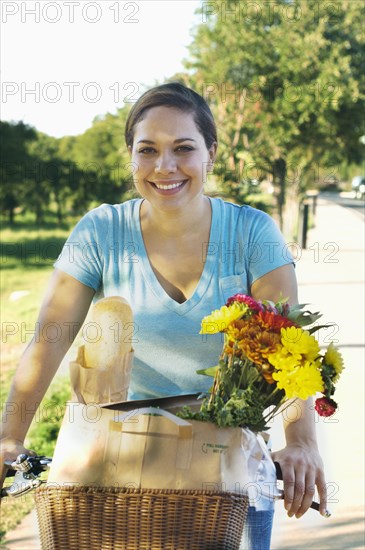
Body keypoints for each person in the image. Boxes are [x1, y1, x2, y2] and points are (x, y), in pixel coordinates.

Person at [0, 82, 327, 549]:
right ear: (131, 156)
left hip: (226, 471)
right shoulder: (102, 231)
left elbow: (290, 355)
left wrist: (302, 442)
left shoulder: (253, 232)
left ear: (210, 153)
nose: (164, 166)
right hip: (124, 463)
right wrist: (10, 437)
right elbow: (49, 340)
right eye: (148, 149)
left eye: (183, 148)